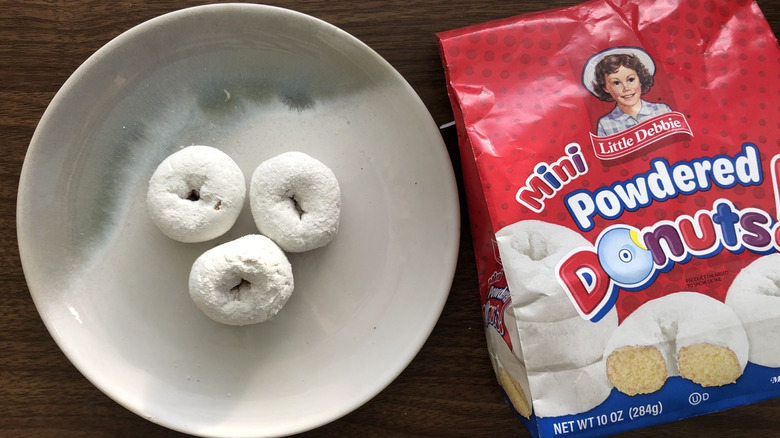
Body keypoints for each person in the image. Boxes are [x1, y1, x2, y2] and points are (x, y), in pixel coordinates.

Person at [583, 47, 671, 137]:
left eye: (631, 79)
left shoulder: (662, 110)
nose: (626, 88)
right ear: (606, 88)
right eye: (616, 83)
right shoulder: (605, 124)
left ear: (640, 79)